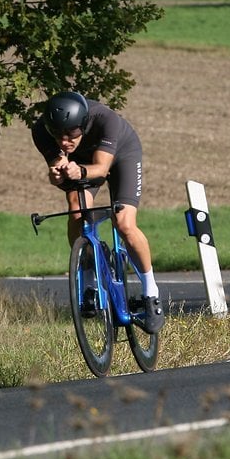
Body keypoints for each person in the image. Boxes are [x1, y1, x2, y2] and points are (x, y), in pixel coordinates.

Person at [31, 90, 165, 332]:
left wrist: (79, 171)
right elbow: (58, 175)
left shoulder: (105, 120)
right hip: (81, 164)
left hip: (121, 154)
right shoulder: (41, 131)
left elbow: (101, 169)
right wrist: (56, 175)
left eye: (71, 134)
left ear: (82, 124)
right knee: (76, 212)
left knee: (124, 223)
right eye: (58, 135)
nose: (64, 142)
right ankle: (89, 275)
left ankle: (151, 293)